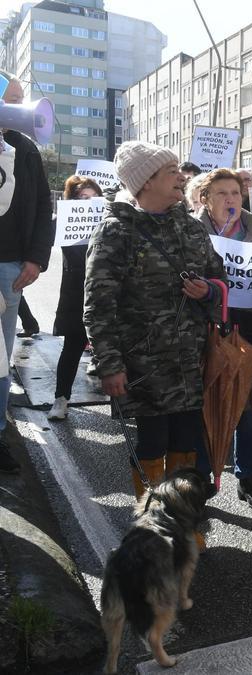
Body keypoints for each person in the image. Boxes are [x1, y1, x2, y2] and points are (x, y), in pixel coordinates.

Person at [84, 141, 225, 501]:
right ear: (146, 182)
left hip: (191, 361)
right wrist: (109, 365)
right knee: (152, 442)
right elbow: (99, 306)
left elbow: (221, 279)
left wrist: (207, 290)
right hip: (143, 365)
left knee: (186, 441)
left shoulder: (192, 229)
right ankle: (153, 521)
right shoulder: (115, 232)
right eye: (170, 172)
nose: (181, 178)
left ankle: (182, 522)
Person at [194, 168, 252, 511]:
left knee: (247, 410)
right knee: (206, 409)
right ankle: (203, 478)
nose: (230, 199)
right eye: (221, 193)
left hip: (247, 331)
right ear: (206, 198)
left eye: (235, 192)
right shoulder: (192, 229)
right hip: (204, 332)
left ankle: (247, 478)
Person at [0, 72, 54, 474]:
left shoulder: (26, 148)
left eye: (22, 100)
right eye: (11, 100)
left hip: (11, 266)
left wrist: (35, 259)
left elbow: (40, 206)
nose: (20, 109)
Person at [47, 176, 103, 422]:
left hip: (107, 292)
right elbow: (42, 242)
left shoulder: (110, 222)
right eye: (83, 198)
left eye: (94, 197)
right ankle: (61, 399)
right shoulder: (63, 222)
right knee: (72, 347)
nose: (89, 202)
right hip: (76, 293)